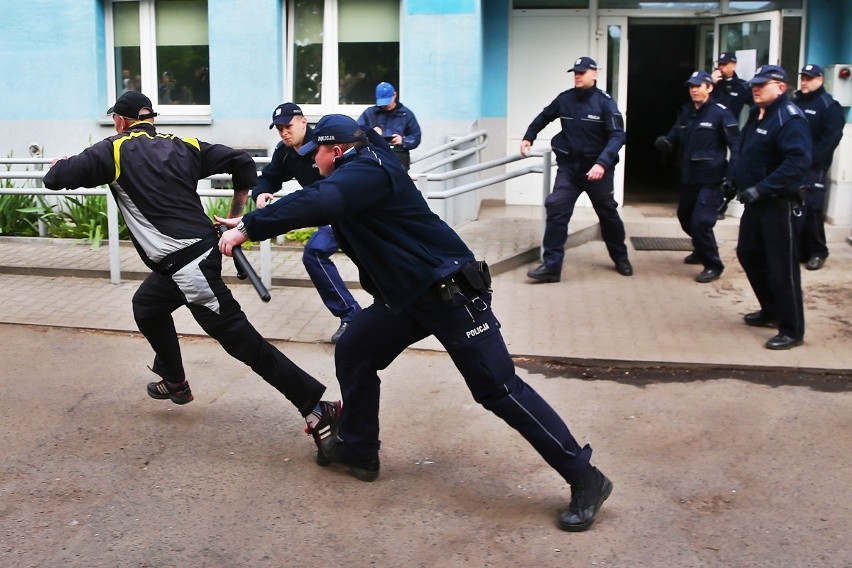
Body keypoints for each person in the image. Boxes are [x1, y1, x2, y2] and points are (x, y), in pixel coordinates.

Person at [217, 114, 613, 532]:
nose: (310, 159)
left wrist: (250, 227)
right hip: (408, 298)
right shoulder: (357, 161)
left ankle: (585, 476)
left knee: (498, 389)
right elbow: (324, 193)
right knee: (355, 349)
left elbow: (322, 199)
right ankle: (358, 448)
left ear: (336, 151)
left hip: (451, 294)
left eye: (316, 150)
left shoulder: (369, 168)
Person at [42, 90, 340, 458]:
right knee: (147, 306)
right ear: (152, 119)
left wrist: (59, 164)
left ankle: (316, 408)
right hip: (184, 260)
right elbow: (242, 162)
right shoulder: (183, 144)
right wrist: (238, 211)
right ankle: (175, 381)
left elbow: (55, 179)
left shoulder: (112, 150)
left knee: (241, 341)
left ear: (120, 121)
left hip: (188, 267)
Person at [254, 102, 362, 343]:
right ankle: (351, 315)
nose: (284, 133)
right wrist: (261, 192)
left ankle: (385, 309)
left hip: (350, 207)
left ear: (303, 121)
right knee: (314, 252)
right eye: (279, 129)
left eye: (288, 126)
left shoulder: (327, 140)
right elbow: (270, 177)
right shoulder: (284, 152)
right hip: (328, 215)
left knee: (367, 257)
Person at [520, 56, 632, 282]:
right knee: (556, 207)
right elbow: (544, 116)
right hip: (570, 169)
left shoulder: (604, 102)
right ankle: (551, 267)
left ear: (594, 74)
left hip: (597, 171)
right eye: (575, 73)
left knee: (607, 214)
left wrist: (602, 163)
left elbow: (618, 135)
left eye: (582, 72)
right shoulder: (565, 99)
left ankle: (620, 257)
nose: (578, 76)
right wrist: (528, 137)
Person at [732, 65, 812, 350]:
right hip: (755, 203)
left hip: (780, 204)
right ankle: (772, 309)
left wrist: (762, 188)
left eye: (762, 85)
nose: (755, 88)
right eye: (754, 84)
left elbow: (797, 163)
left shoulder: (790, 119)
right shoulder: (756, 114)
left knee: (782, 267)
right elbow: (744, 150)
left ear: (780, 87)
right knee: (748, 253)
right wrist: (734, 180)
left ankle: (792, 329)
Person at [655, 70, 739, 283]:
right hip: (689, 177)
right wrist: (666, 141)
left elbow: (736, 147)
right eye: (691, 86)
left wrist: (732, 177)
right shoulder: (686, 112)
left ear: (709, 88)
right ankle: (701, 248)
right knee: (685, 217)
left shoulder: (720, 113)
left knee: (701, 222)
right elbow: (674, 135)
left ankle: (713, 264)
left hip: (711, 178)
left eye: (698, 86)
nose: (694, 90)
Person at [792, 63, 845, 271]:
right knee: (796, 209)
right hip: (794, 165)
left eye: (809, 78)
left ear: (820, 80)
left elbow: (830, 139)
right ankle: (801, 251)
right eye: (802, 77)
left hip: (814, 168)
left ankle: (818, 252)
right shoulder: (796, 102)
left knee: (812, 210)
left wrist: (810, 160)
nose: (804, 82)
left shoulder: (829, 106)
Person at [357, 82, 421, 171]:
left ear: (394, 95)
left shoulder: (406, 114)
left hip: (398, 157)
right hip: (375, 156)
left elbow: (416, 137)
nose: (384, 105)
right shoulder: (369, 113)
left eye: (387, 101)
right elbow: (356, 134)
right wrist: (371, 132)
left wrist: (403, 141)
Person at [711, 52, 753, 121]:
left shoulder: (741, 86)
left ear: (733, 66)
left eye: (724, 64)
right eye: (719, 64)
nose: (721, 67)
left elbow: (756, 104)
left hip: (729, 128)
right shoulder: (712, 83)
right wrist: (711, 83)